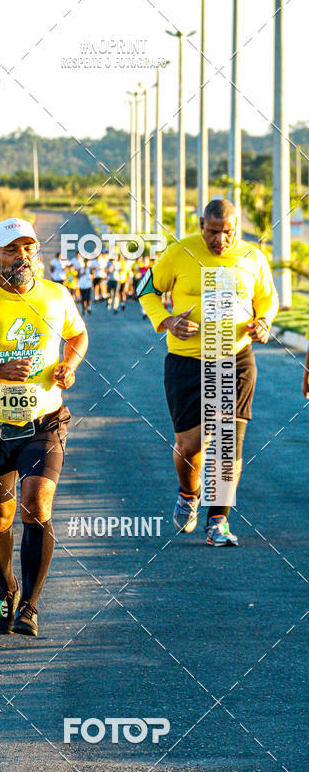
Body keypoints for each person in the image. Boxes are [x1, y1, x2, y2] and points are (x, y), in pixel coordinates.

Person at [0, 217, 88, 637]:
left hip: (43, 421)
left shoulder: (56, 296)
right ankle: (7, 585)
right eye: (12, 250)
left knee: (36, 505)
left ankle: (29, 606)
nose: (22, 256)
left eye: (28, 248)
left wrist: (69, 366)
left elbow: (78, 336)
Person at [137, 197, 278, 546]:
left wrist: (264, 322)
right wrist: (167, 320)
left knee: (228, 439)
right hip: (187, 360)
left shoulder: (253, 257)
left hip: (236, 357)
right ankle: (189, 493)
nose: (220, 240)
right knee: (190, 445)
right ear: (202, 224)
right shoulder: (179, 252)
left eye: (228, 233)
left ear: (237, 227)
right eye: (214, 232)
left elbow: (268, 299)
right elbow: (146, 289)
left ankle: (219, 520)